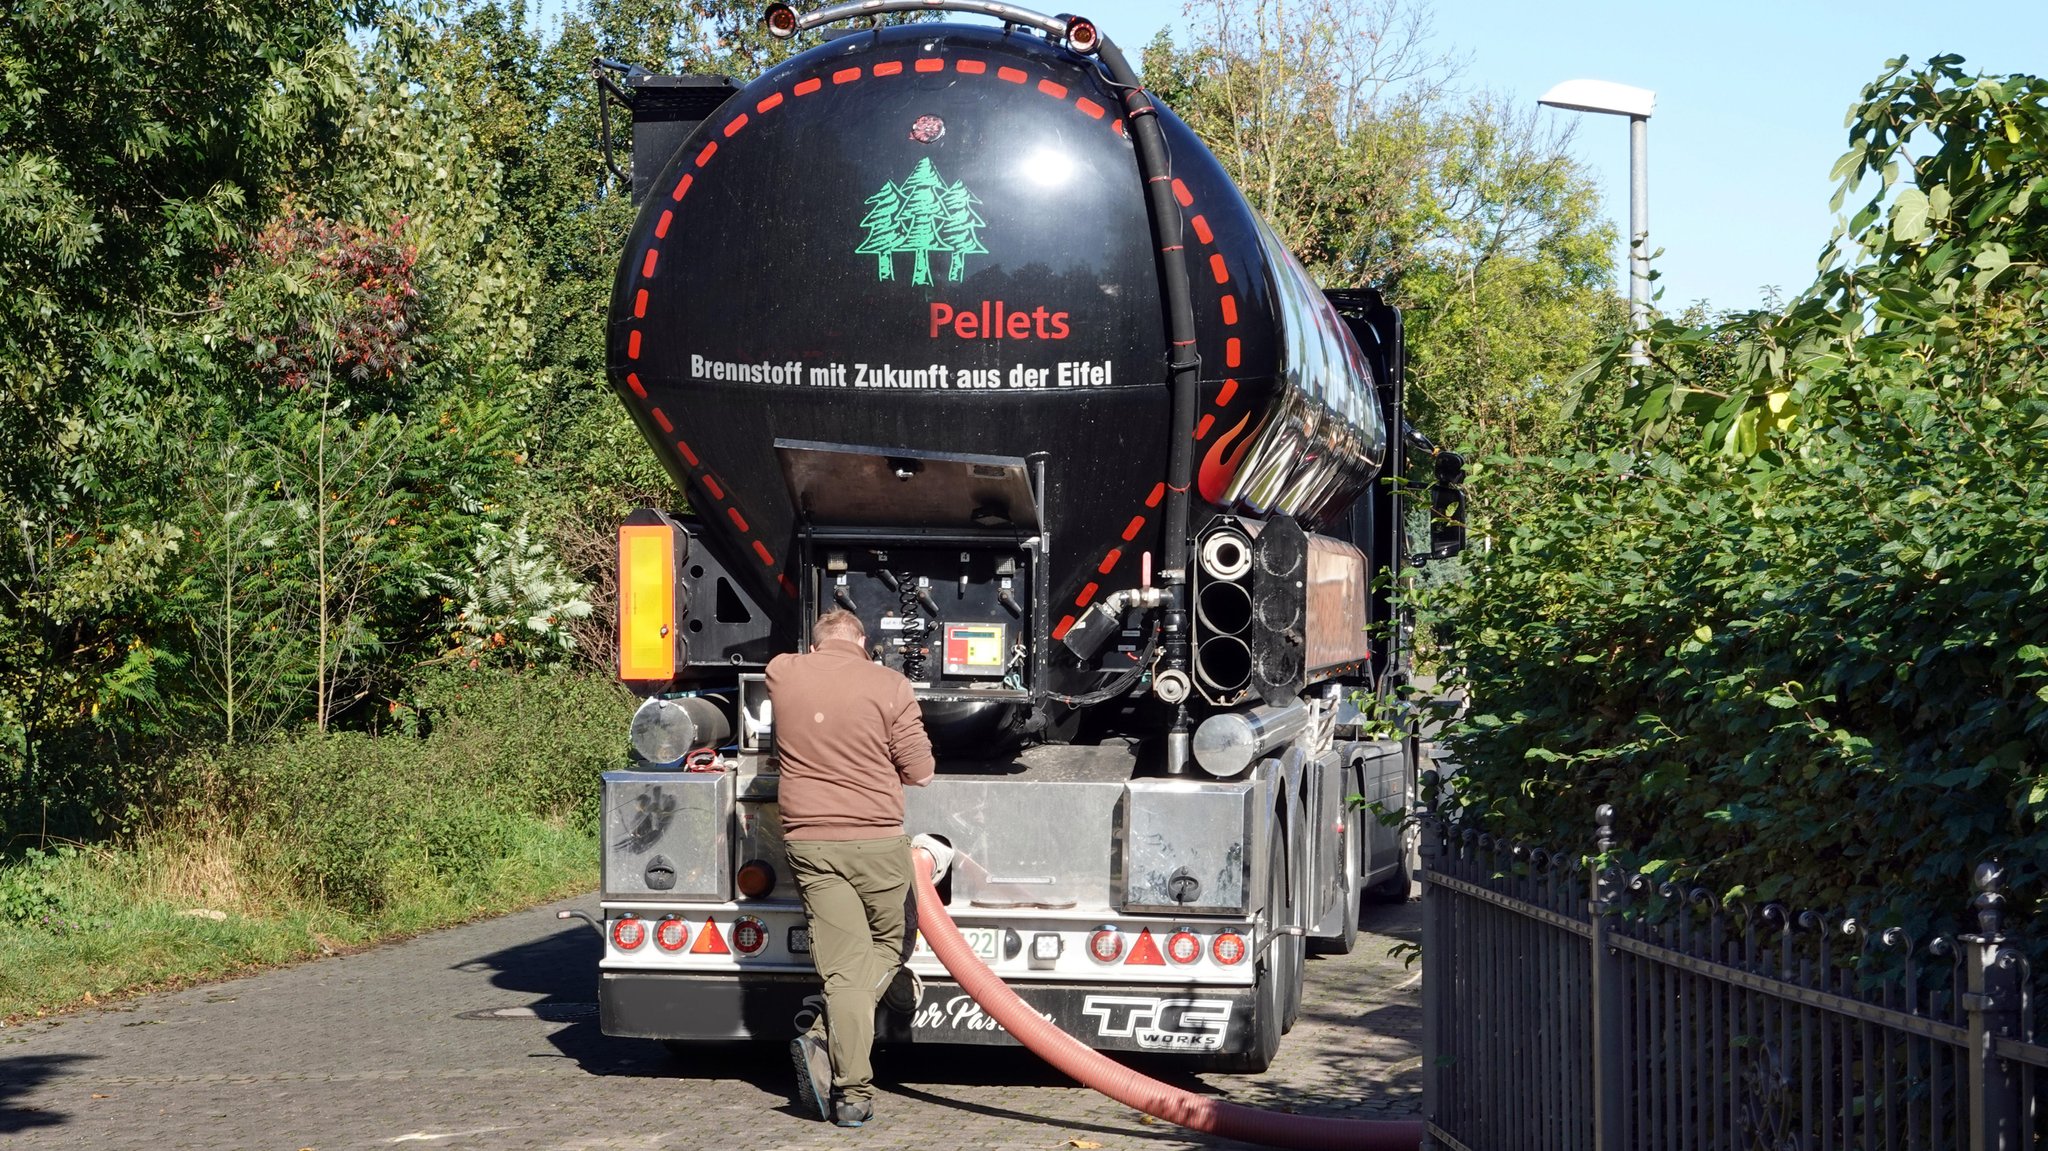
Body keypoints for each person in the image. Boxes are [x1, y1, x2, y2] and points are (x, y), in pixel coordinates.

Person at [767, 608, 934, 1127]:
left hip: (809, 845)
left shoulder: (782, 671)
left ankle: (851, 1097)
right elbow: (920, 771)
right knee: (891, 944)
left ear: (815, 644)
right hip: (877, 844)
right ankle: (829, 1044)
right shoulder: (890, 684)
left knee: (842, 967)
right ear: (863, 641)